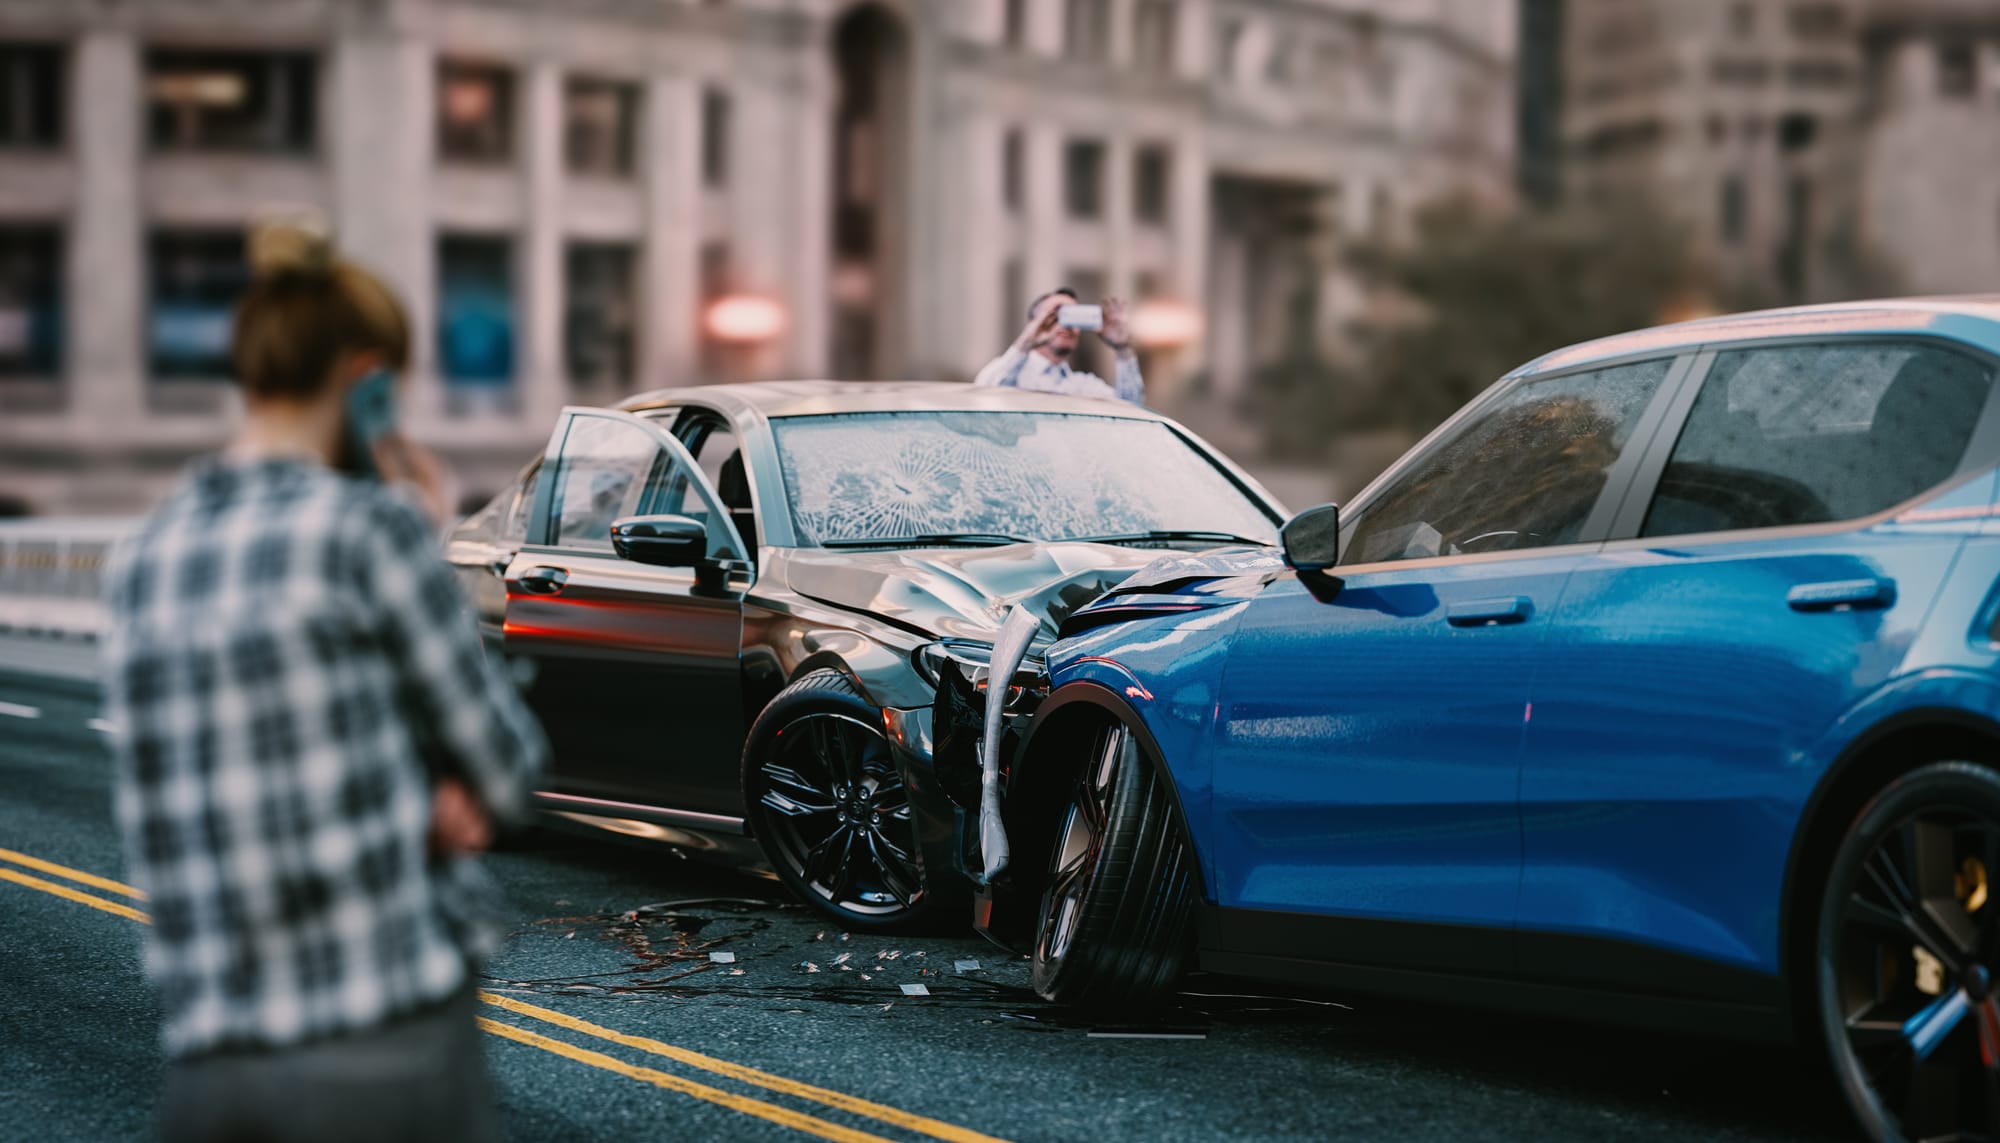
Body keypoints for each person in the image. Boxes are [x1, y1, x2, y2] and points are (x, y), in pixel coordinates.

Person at [101, 220, 547, 1143]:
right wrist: (420, 515)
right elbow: (507, 769)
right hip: (383, 1044)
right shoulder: (367, 531)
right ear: (368, 378)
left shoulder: (143, 557)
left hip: (210, 1065)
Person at [973, 287, 1145, 405]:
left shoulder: (1082, 385)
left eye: (1074, 317)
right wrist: (1026, 342)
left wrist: (1123, 348)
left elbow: (1131, 407)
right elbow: (984, 396)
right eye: (1055, 316)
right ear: (1033, 323)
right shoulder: (1010, 374)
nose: (1066, 325)